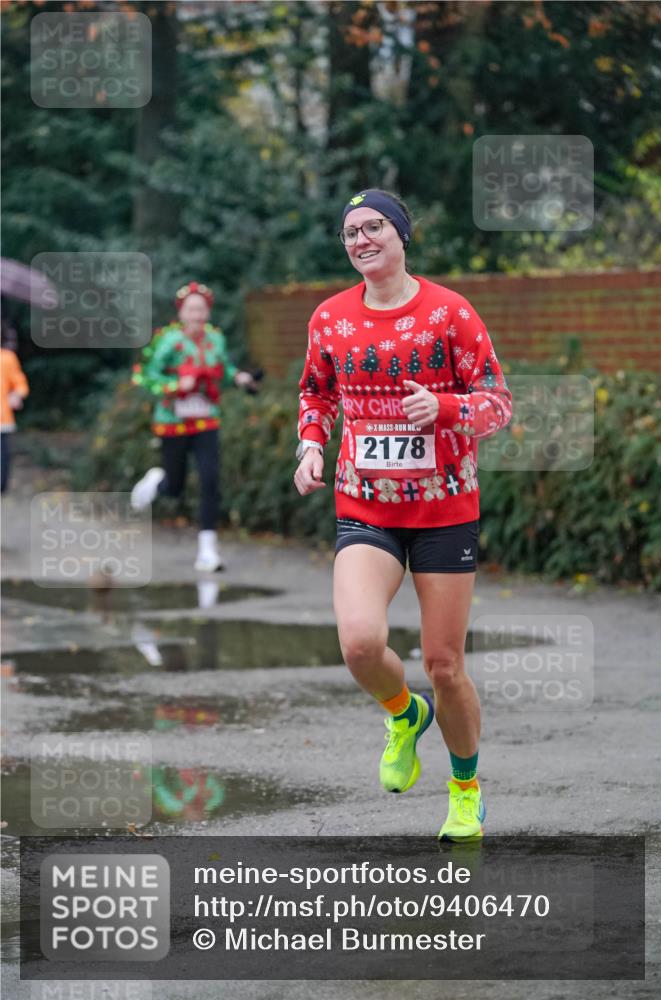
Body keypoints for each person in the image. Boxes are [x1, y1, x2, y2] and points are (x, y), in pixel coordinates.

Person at [294, 189, 512, 841]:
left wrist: (444, 410)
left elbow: (497, 402)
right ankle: (401, 713)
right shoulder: (329, 318)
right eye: (349, 232)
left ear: (401, 235)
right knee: (360, 643)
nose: (360, 239)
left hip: (444, 510)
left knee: (445, 665)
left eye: (374, 227)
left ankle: (465, 789)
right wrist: (310, 441)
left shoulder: (449, 313)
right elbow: (316, 391)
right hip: (367, 507)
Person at [131, 281, 256, 571]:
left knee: (210, 480)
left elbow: (223, 369)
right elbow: (145, 375)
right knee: (174, 488)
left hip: (206, 419)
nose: (197, 315)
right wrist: (175, 385)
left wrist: (239, 378)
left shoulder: (216, 340)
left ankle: (207, 551)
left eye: (201, 310)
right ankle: (157, 481)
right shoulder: (167, 340)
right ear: (181, 312)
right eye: (191, 310)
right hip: (173, 422)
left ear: (208, 313)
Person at [1, 330, 29, 494]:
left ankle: (1, 486)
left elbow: (21, 384)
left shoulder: (7, 358)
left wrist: (15, 395)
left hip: (2, 416)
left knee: (2, 454)